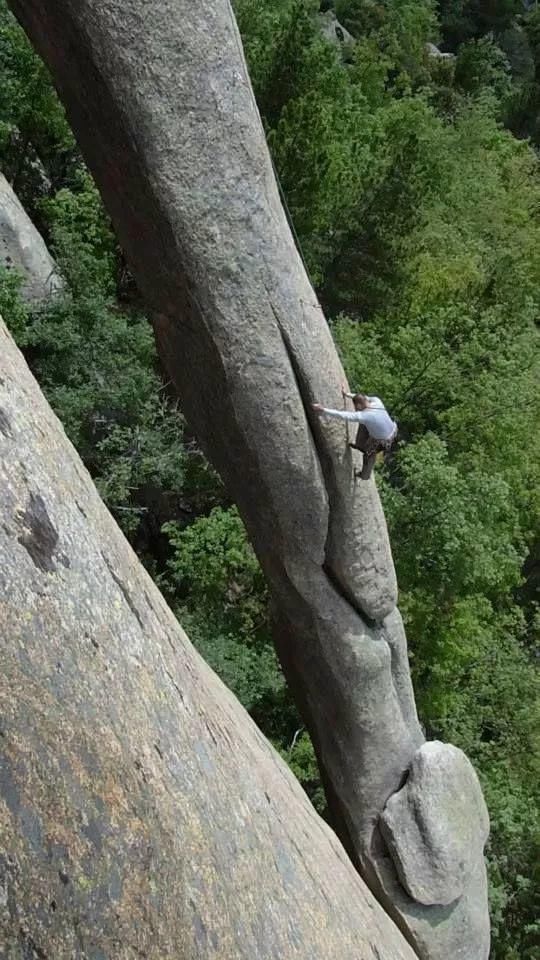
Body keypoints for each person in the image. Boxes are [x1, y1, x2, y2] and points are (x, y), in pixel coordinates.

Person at [313, 390, 397, 480]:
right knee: (364, 423)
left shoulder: (365, 416)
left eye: (356, 407)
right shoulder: (377, 401)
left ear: (359, 405)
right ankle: (360, 445)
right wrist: (347, 394)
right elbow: (364, 397)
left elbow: (343, 415)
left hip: (383, 441)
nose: (356, 409)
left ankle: (364, 475)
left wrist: (323, 410)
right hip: (393, 429)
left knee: (368, 455)